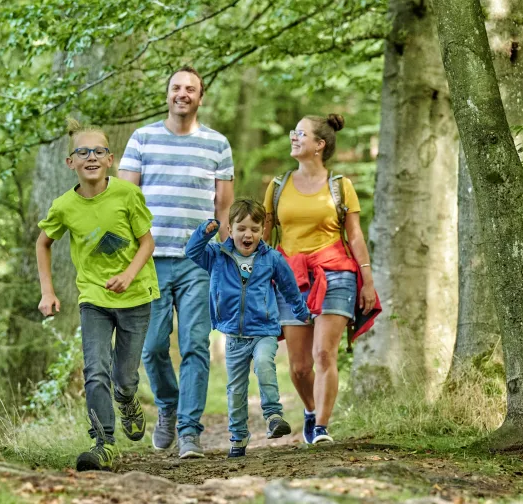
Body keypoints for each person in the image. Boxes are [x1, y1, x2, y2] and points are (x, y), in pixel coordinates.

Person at [118, 66, 234, 458]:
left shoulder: (217, 144)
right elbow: (123, 200)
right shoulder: (142, 139)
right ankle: (168, 405)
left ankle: (189, 431)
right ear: (167, 94)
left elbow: (223, 205)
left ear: (201, 98)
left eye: (191, 89)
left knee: (195, 345)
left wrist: (224, 255)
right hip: (150, 259)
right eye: (176, 88)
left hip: (197, 261)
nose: (182, 94)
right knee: (150, 348)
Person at [36, 120, 160, 471]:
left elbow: (147, 242)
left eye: (98, 151)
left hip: (136, 295)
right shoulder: (63, 206)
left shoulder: (126, 195)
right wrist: (48, 290)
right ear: (70, 162)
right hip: (94, 298)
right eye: (82, 152)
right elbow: (43, 242)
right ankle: (103, 441)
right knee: (95, 369)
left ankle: (127, 398)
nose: (91, 157)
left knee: (124, 377)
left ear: (110, 159)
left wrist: (128, 274)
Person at [263, 114, 378, 445]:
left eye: (300, 133)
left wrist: (367, 280)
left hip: (336, 272)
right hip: (290, 277)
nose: (293, 138)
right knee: (299, 367)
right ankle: (312, 410)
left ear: (319, 144)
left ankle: (323, 428)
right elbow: (263, 234)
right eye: (292, 132)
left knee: (324, 354)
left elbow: (354, 236)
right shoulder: (278, 186)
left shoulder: (340, 186)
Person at [184, 200, 310, 458]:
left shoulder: (271, 258)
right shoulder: (217, 255)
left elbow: (289, 288)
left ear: (263, 229)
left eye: (254, 228)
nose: (248, 234)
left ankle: (273, 415)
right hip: (233, 335)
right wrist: (204, 233)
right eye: (241, 228)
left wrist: (302, 313)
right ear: (230, 229)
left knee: (265, 363)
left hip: (264, 329)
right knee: (236, 389)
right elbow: (192, 252)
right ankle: (238, 437)